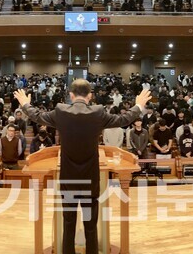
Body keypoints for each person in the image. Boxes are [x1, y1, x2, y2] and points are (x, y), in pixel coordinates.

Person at [13, 81, 149, 254]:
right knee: (90, 226)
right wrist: (138, 105)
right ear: (90, 96)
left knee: (68, 225)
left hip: (68, 177)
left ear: (71, 95)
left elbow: (37, 116)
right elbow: (123, 119)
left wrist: (25, 103)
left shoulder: (61, 111)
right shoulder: (98, 112)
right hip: (90, 178)